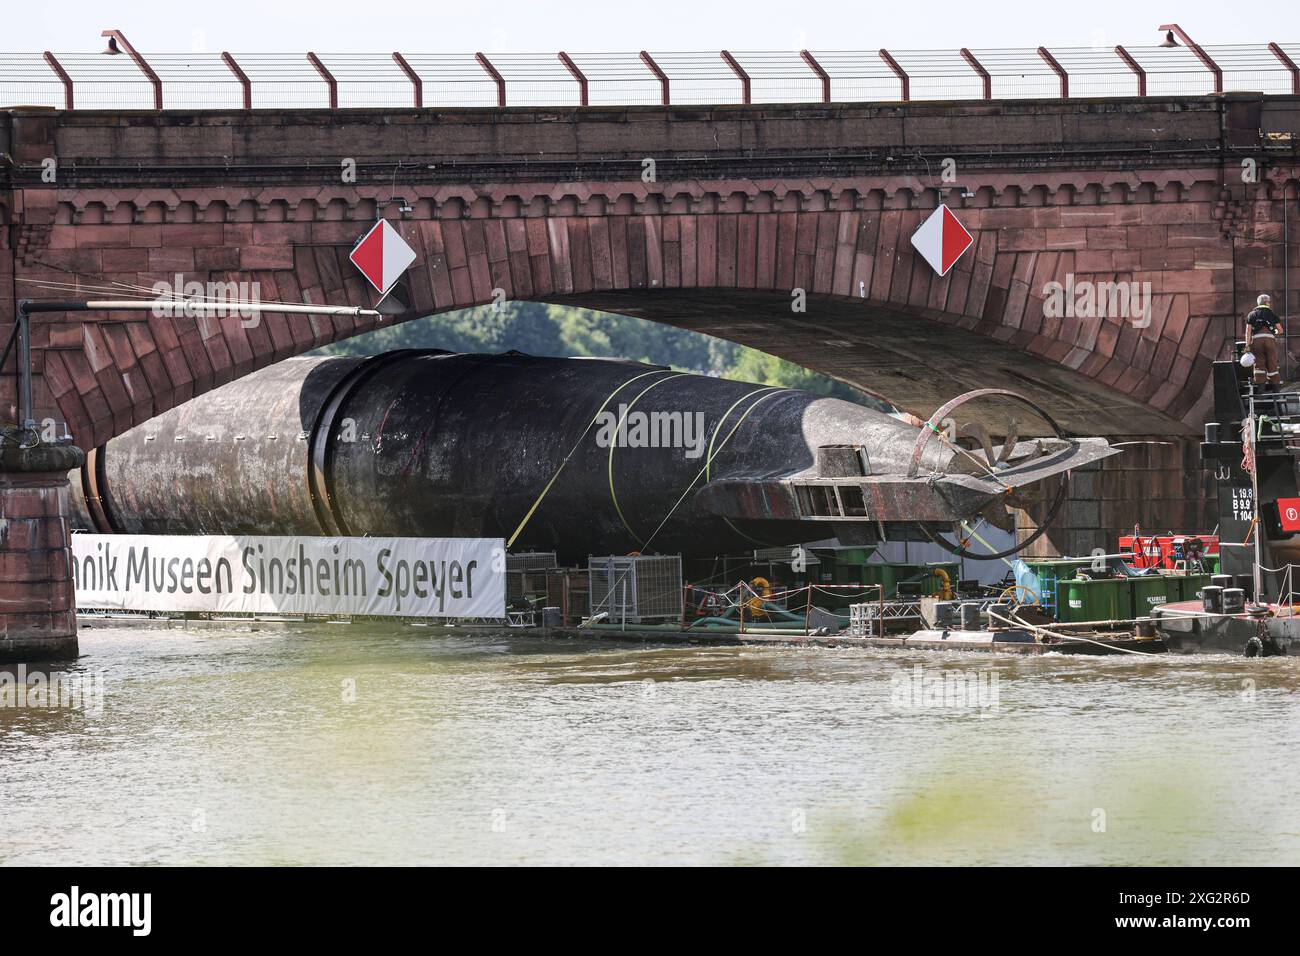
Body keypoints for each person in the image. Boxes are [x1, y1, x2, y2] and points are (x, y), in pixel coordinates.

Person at [1245, 293, 1283, 390]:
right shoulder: (1272, 314)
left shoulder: (1251, 314)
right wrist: (1273, 332)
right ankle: (1276, 390)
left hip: (1257, 341)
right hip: (1270, 341)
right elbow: (1281, 331)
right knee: (1272, 362)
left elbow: (1248, 332)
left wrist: (1247, 345)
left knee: (1259, 363)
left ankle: (1260, 391)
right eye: (1269, 302)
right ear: (1266, 303)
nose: (1270, 304)